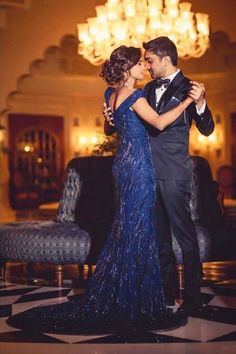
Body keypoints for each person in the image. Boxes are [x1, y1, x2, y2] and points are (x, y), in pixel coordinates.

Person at [7, 45, 194, 335]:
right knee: (138, 229)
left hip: (121, 165)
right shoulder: (135, 95)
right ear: (128, 68)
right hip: (138, 168)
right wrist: (186, 103)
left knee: (127, 227)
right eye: (139, 64)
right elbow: (158, 122)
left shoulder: (110, 94)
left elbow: (110, 129)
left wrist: (110, 120)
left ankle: (129, 289)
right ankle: (135, 297)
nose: (144, 67)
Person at [105, 37, 214, 317]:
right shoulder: (146, 89)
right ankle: (165, 293)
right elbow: (130, 123)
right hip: (144, 172)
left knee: (185, 237)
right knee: (160, 238)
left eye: (150, 60)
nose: (147, 65)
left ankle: (193, 297)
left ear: (166, 59)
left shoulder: (191, 88)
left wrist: (200, 103)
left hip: (174, 173)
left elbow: (207, 128)